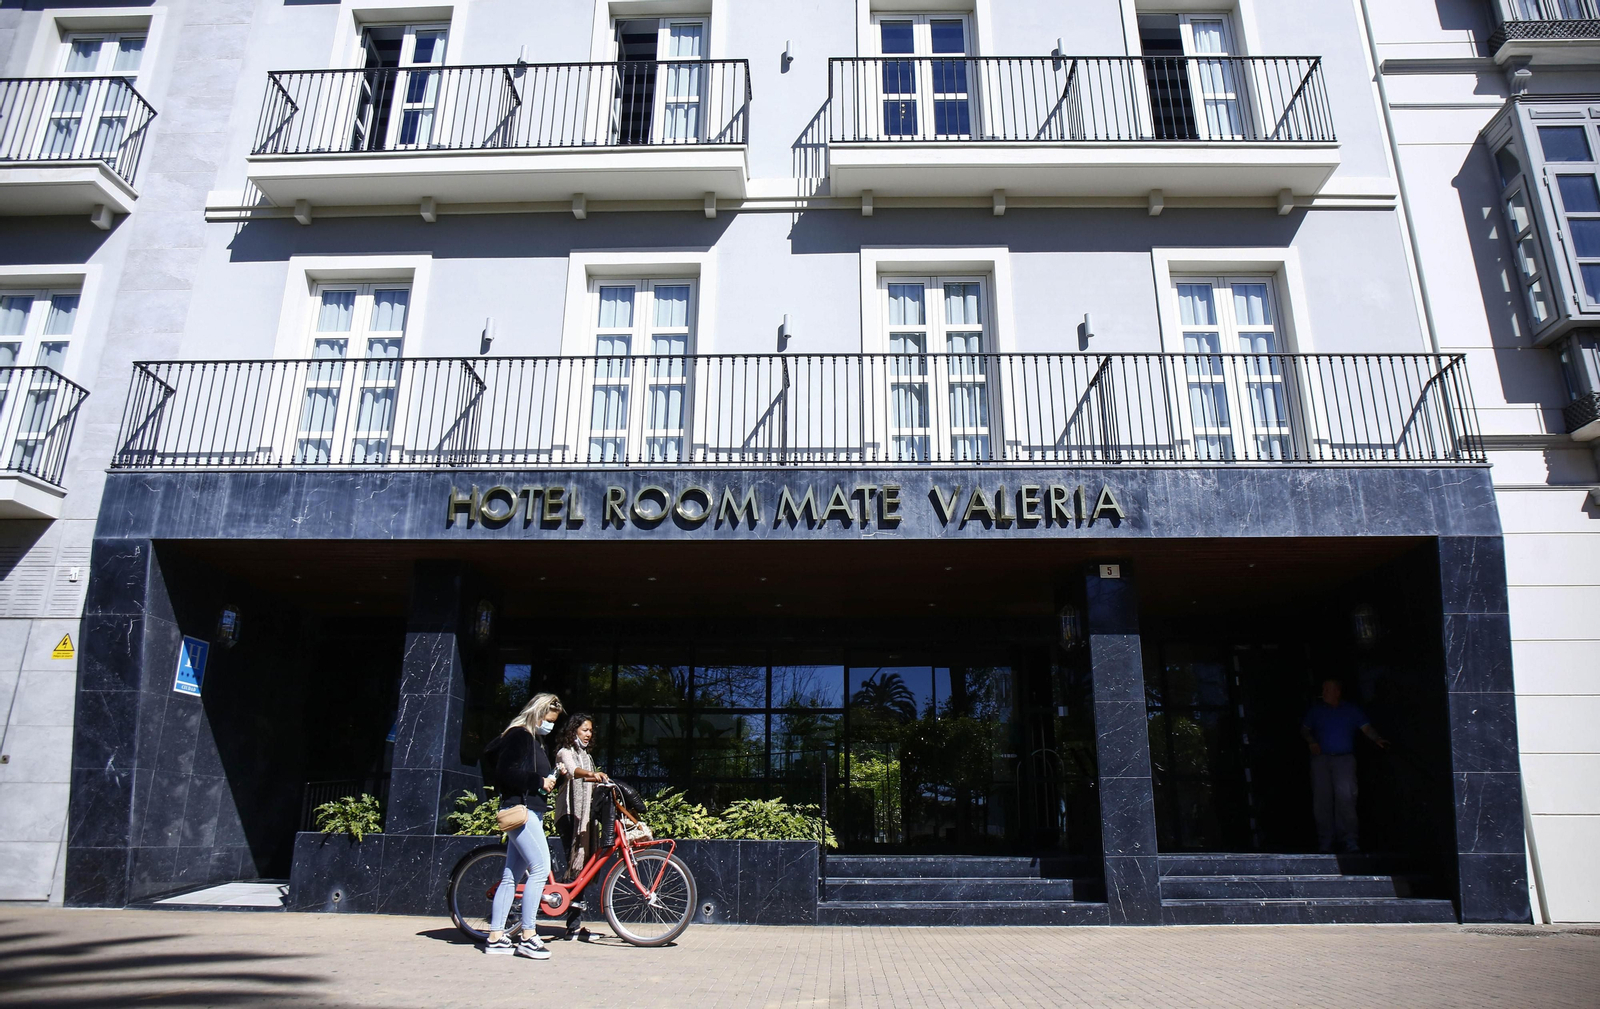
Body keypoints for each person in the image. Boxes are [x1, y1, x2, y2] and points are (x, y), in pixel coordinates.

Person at [479, 692, 563, 959]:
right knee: (540, 869)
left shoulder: (530, 739)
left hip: (526, 809)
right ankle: (528, 936)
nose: (549, 726)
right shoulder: (520, 735)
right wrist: (539, 782)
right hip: (522, 810)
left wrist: (545, 781)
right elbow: (507, 771)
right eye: (548, 719)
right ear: (537, 714)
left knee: (511, 876)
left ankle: (496, 936)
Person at [1300, 678, 1388, 853]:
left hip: (1344, 760)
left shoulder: (1351, 710)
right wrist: (1311, 741)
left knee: (1346, 800)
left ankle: (1349, 841)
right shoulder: (1317, 711)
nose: (1323, 693)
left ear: (1337, 692)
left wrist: (1377, 739)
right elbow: (1304, 729)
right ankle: (1325, 841)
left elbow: (1366, 728)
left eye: (1327, 689)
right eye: (1323, 689)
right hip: (1321, 760)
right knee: (1322, 802)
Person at [552, 713, 611, 939]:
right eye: (585, 729)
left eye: (591, 731)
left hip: (584, 818)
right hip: (569, 815)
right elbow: (574, 772)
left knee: (582, 869)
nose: (589, 734)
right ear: (574, 730)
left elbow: (588, 776)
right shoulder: (565, 752)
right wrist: (592, 775)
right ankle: (573, 926)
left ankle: (574, 925)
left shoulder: (587, 756)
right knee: (574, 866)